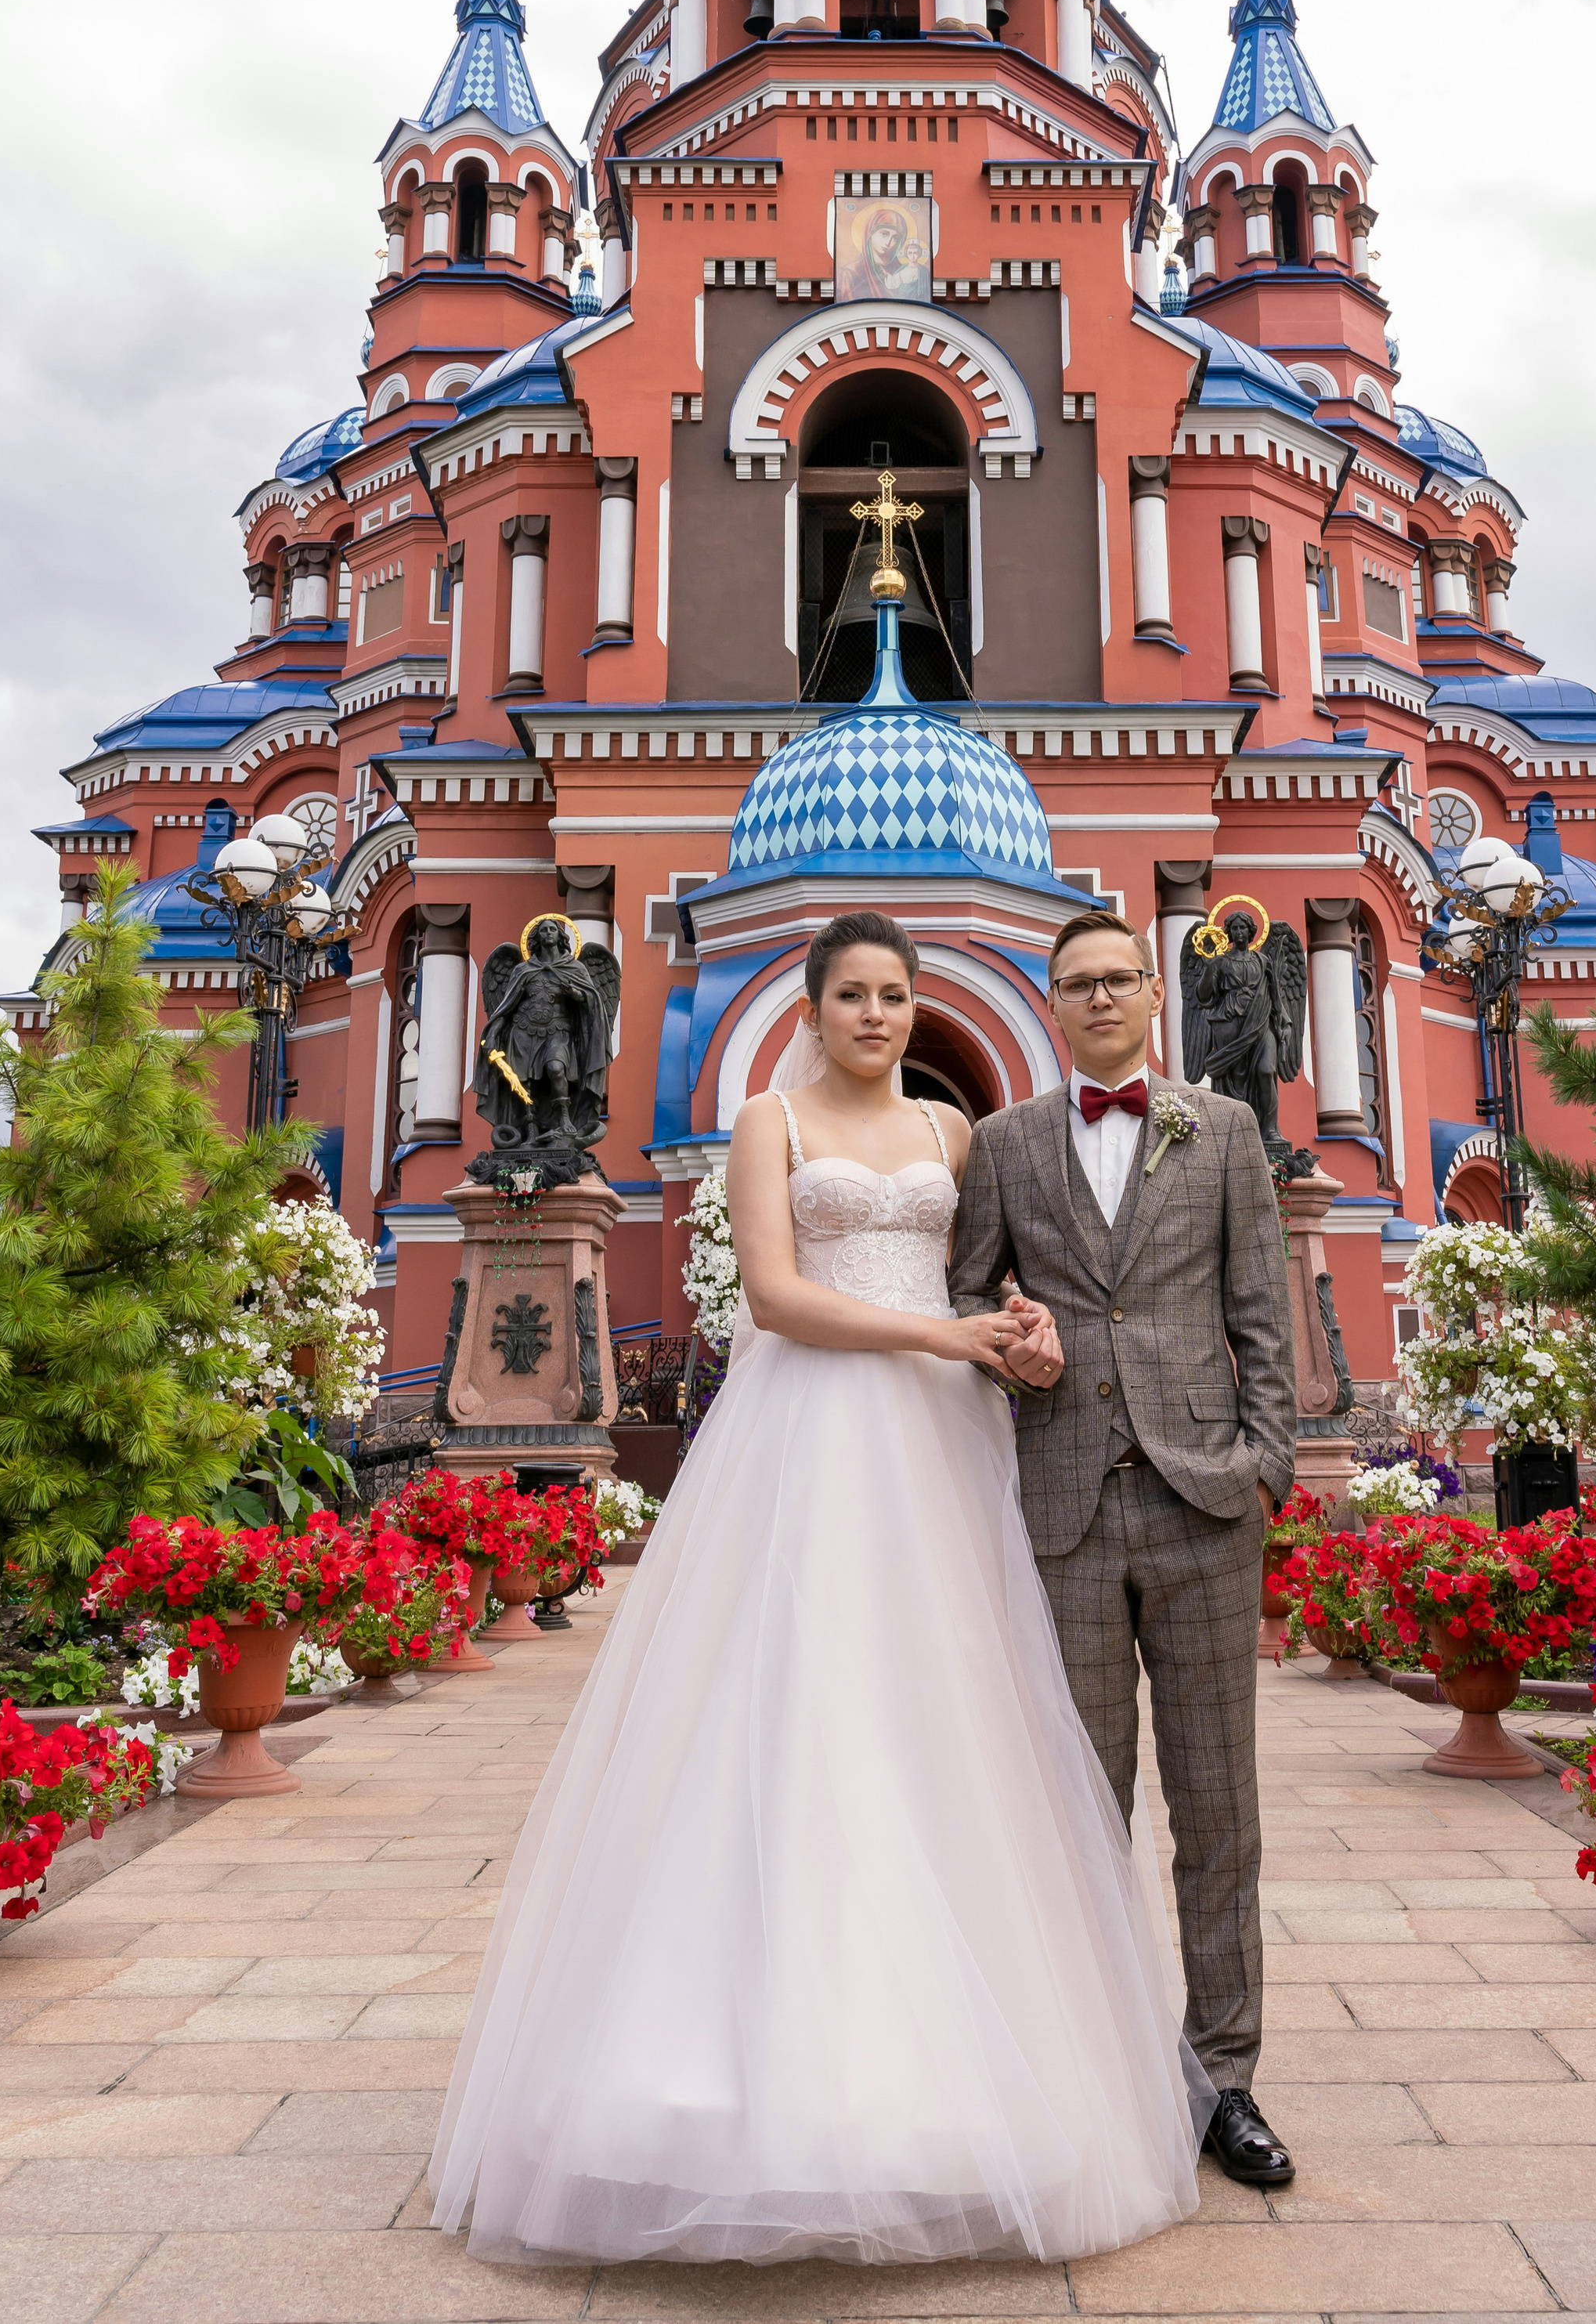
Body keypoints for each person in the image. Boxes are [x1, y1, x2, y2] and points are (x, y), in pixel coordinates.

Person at [431, 908, 1212, 2268]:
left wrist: (1019, 1328)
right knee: (793, 1700)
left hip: (938, 1445)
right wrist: (944, 1334)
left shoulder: (953, 1134)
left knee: (943, 1711)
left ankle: (973, 2065)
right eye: (853, 993)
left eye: (895, 994)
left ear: (916, 1006)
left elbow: (987, 1280)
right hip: (811, 1433)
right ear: (813, 1006)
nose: (876, 1015)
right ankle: (748, 2065)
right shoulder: (768, 1122)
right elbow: (778, 1298)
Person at [948, 909, 1298, 2190]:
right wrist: (1011, 1333)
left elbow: (1261, 1312)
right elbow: (962, 1294)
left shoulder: (1225, 1130)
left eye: (1118, 979)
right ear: (1051, 1005)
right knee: (1079, 1809)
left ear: (1155, 993)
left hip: (1206, 1504)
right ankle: (1095, 2068)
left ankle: (1226, 2076)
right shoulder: (1004, 1142)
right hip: (1065, 1515)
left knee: (1217, 1809)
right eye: (1076, 984)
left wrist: (1266, 1464)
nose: (1098, 998)